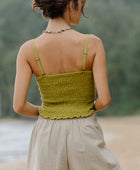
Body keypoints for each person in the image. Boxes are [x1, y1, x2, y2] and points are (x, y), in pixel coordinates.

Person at [13, 0, 122, 169]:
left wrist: (48, 111)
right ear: (71, 4)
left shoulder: (28, 50)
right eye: (82, 4)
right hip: (85, 129)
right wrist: (83, 108)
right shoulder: (92, 43)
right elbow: (104, 100)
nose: (83, 10)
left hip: (46, 133)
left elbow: (19, 106)